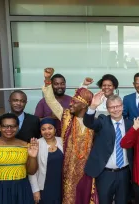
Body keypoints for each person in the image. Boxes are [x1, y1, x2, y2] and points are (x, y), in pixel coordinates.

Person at [41, 68, 98, 204]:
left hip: (89, 169)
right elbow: (51, 100)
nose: (70, 104)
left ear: (84, 106)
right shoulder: (66, 116)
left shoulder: (95, 122)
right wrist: (48, 80)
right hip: (69, 168)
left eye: (75, 102)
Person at [0, 113, 39, 204]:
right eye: (5, 126)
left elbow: (31, 171)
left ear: (17, 127)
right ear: (0, 128)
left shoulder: (26, 146)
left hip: (21, 189)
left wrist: (32, 157)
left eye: (13, 126)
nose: (9, 129)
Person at [84, 93, 133, 204]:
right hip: (105, 174)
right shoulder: (102, 121)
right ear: (107, 109)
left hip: (124, 173)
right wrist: (92, 107)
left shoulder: (130, 124)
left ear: (122, 106)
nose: (115, 109)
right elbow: (88, 122)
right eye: (112, 107)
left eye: (118, 106)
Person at [29, 118, 64, 204]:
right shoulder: (36, 144)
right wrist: (35, 190)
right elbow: (32, 170)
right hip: (44, 186)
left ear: (55, 129)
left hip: (61, 185)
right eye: (43, 129)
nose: (47, 131)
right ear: (40, 131)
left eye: (50, 128)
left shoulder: (63, 141)